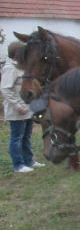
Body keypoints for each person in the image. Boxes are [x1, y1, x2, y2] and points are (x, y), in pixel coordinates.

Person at [1, 41, 45, 173]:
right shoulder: (10, 68)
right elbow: (5, 89)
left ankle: (29, 160)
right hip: (17, 111)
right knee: (17, 138)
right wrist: (18, 106)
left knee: (26, 137)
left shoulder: (23, 67)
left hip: (28, 109)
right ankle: (18, 165)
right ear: (16, 54)